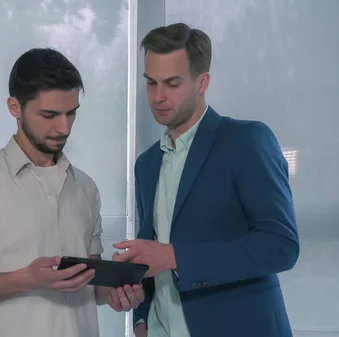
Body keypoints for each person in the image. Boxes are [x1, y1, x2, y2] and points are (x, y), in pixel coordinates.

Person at [0, 48, 144, 337]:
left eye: (71, 113)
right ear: (15, 107)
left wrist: (114, 293)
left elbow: (89, 286)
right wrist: (25, 279)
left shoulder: (85, 187)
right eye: (49, 114)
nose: (63, 127)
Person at [112, 23, 300, 337]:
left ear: (203, 82)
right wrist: (140, 317)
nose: (158, 97)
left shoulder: (246, 141)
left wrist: (173, 256)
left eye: (172, 83)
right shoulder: (146, 164)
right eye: (151, 83)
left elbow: (281, 246)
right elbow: (151, 264)